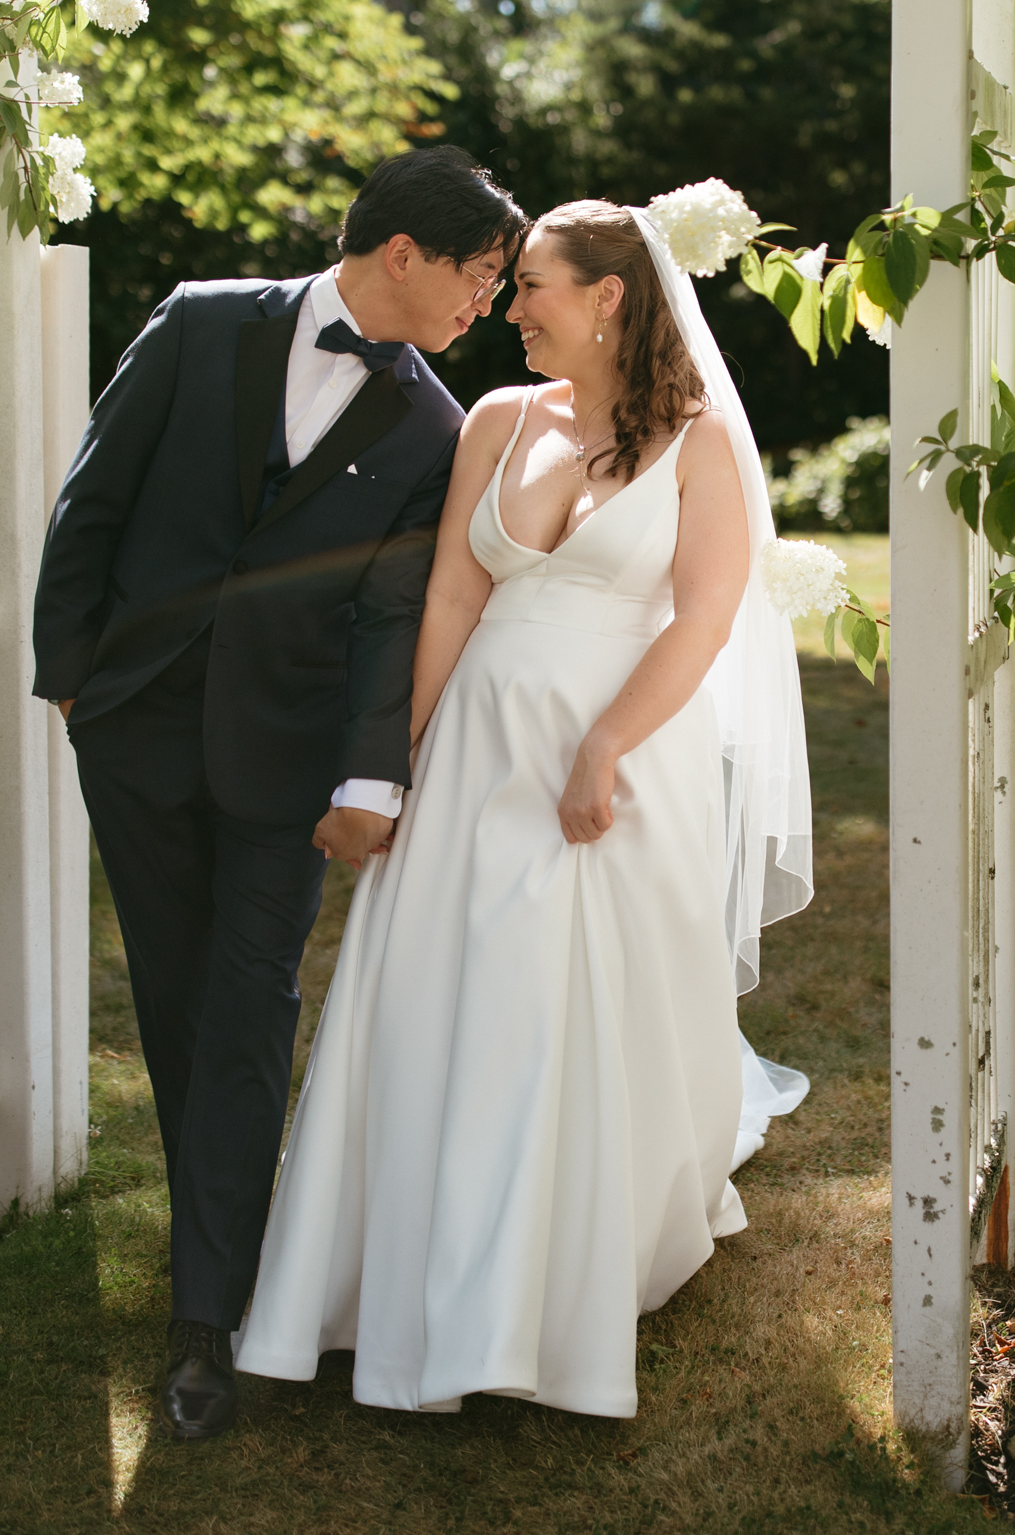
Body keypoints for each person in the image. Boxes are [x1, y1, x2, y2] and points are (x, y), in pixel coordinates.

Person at [235, 198, 813, 1417]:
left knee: (561, 1010)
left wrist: (603, 746)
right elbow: (448, 597)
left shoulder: (696, 443)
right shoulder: (497, 420)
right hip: (477, 743)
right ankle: (409, 1267)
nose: (508, 310)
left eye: (533, 285)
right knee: (446, 996)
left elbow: (704, 620)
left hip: (615, 756)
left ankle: (545, 1286)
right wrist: (391, 767)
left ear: (608, 296)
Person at [31, 145, 528, 1441]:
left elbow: (387, 616)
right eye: (481, 275)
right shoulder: (199, 321)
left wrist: (369, 769)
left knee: (249, 1005)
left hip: (286, 761)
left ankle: (209, 1322)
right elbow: (96, 496)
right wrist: (69, 674)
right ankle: (228, 1249)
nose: (490, 302)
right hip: (132, 729)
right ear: (403, 252)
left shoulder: (433, 423)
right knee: (175, 994)